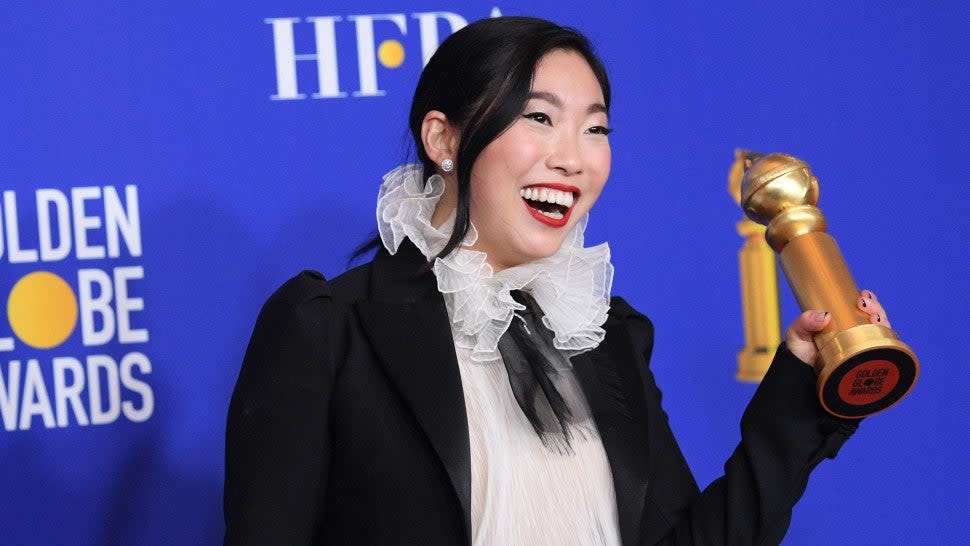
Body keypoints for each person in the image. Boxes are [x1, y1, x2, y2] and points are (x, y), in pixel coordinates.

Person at [224, 16, 891, 546]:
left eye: (595, 128)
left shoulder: (605, 335)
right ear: (443, 138)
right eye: (538, 118)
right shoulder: (330, 329)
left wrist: (802, 404)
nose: (572, 157)